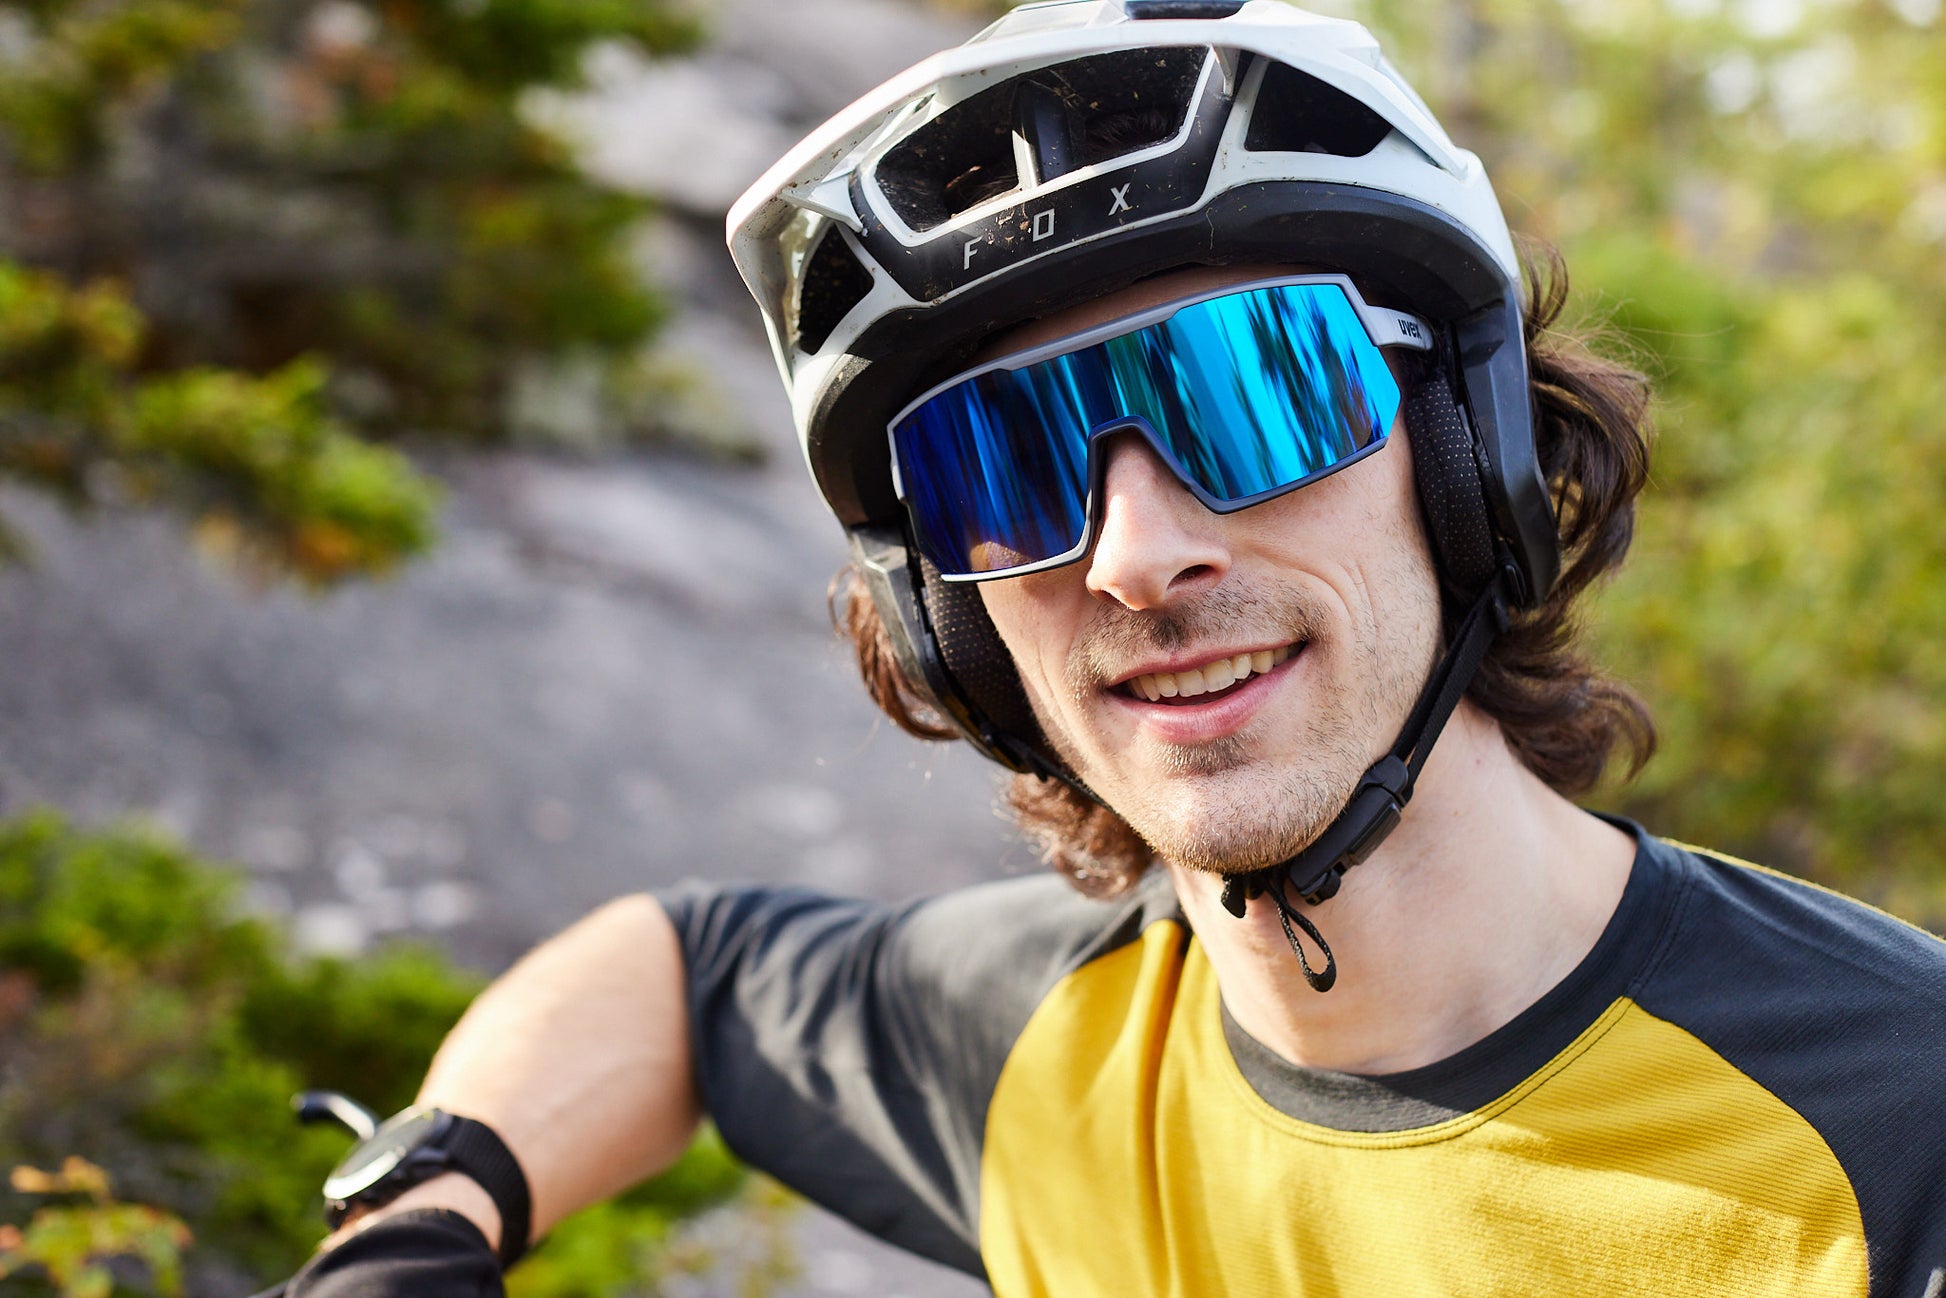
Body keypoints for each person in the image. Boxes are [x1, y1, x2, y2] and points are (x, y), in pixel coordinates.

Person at [276, 3, 1946, 1296]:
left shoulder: (1893, 1120)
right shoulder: (1045, 1050)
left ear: (1469, 448)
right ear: (945, 618)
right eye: (1001, 467)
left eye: (1254, 389)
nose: (1140, 555)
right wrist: (424, 1204)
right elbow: (685, 973)